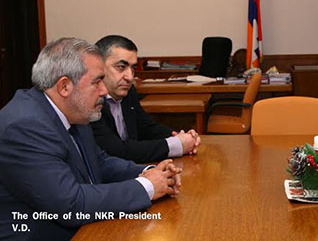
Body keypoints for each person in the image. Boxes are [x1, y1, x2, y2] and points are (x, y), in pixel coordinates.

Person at [0, 38, 183, 241]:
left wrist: (150, 172)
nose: (104, 91)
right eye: (97, 82)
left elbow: (100, 162)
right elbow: (70, 205)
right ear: (64, 86)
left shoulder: (74, 111)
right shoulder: (25, 126)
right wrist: (146, 187)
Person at [90, 35, 200, 163]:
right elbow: (116, 151)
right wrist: (176, 145)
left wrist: (180, 137)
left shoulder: (128, 91)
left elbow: (146, 127)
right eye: (121, 67)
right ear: (99, 67)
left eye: (133, 68)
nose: (130, 77)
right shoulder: (91, 100)